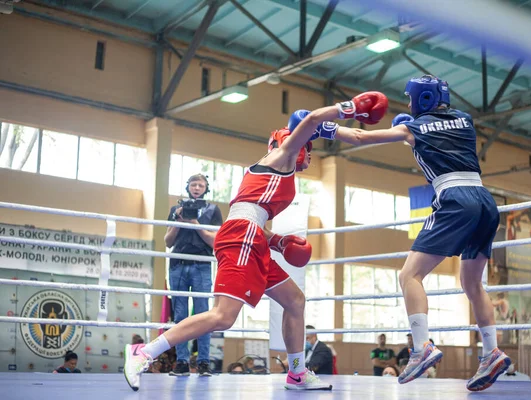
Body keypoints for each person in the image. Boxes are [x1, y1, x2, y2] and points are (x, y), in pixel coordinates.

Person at [123, 90, 388, 392]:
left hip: (251, 237)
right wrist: (349, 108)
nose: (309, 154)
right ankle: (143, 353)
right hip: (241, 238)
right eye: (307, 147)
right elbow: (313, 117)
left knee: (295, 301)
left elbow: (251, 215)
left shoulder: (273, 169)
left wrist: (278, 243)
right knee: (223, 316)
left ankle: (298, 373)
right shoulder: (282, 155)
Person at [312, 75, 510, 391]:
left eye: (411, 98)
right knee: (471, 283)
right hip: (486, 202)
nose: (408, 104)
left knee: (409, 276)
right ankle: (491, 352)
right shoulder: (465, 120)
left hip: (455, 198)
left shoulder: (413, 128)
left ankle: (421, 347)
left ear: (424, 100)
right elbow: (442, 146)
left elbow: (361, 137)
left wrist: (325, 128)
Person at [164, 173, 223, 377]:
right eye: (193, 184)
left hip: (202, 265)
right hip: (178, 264)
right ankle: (181, 363)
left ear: (206, 188)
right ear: (187, 186)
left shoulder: (213, 210)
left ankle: (204, 362)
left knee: (204, 315)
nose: (196, 187)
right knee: (179, 315)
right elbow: (168, 241)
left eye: (201, 185)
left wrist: (195, 223)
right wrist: (179, 221)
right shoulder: (176, 209)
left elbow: (215, 243)